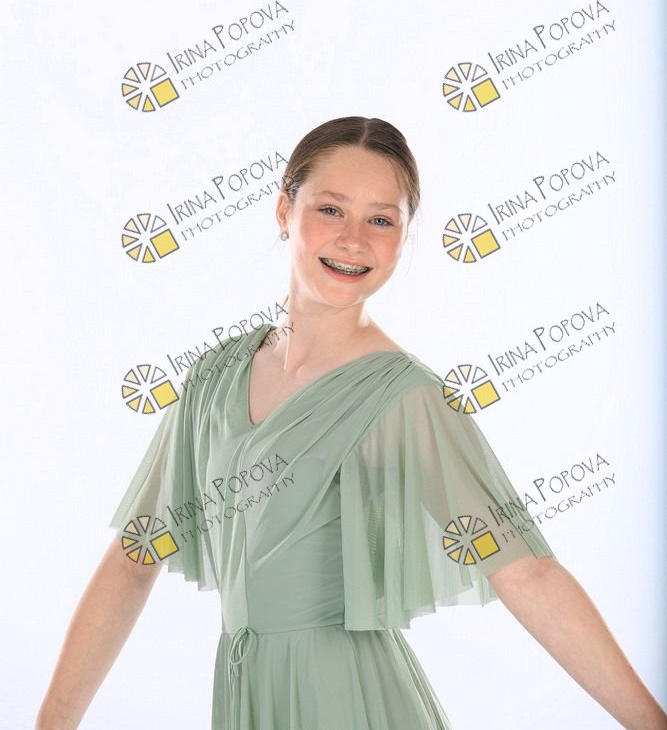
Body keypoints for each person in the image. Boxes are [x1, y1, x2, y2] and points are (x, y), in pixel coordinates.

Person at [36, 117, 666, 730]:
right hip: (245, 694)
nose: (353, 239)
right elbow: (134, 560)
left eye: (381, 220)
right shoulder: (212, 377)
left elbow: (526, 572)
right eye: (331, 209)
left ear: (404, 237)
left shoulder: (404, 397)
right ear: (284, 210)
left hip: (350, 699)